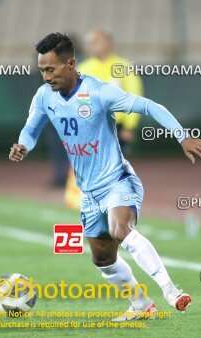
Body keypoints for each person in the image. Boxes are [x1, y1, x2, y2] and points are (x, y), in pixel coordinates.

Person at [9, 33, 201, 321]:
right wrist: (23, 147)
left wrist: (183, 136)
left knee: (120, 230)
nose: (45, 76)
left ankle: (171, 291)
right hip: (88, 193)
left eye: (51, 69)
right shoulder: (44, 96)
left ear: (70, 64)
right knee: (103, 259)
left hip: (118, 180)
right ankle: (141, 305)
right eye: (42, 70)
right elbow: (31, 129)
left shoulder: (99, 92)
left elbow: (149, 106)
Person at [64, 28, 145, 209]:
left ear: (109, 43)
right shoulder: (84, 69)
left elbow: (135, 95)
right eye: (90, 43)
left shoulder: (123, 67)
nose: (92, 46)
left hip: (117, 127)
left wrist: (130, 127)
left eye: (96, 41)